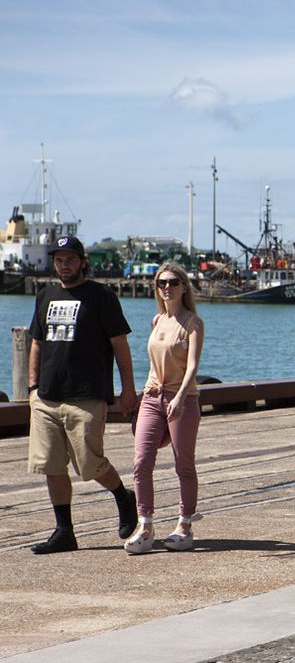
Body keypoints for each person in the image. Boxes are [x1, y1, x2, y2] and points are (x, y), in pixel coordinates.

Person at [26, 235, 137, 554]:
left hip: (87, 394)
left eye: (70, 259)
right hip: (47, 396)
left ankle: (122, 497)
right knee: (51, 464)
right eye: (59, 260)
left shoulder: (101, 295)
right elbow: (37, 342)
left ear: (82, 261)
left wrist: (127, 389)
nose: (64, 265)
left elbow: (120, 344)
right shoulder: (45, 295)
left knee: (90, 463)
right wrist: (32, 388)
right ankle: (64, 531)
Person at [124, 263, 206, 554]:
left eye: (172, 282)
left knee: (183, 464)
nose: (166, 287)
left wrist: (181, 397)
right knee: (141, 462)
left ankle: (184, 525)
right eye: (161, 283)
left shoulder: (192, 322)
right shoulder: (157, 320)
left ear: (184, 286)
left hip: (181, 398)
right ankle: (145, 525)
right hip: (152, 396)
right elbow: (153, 362)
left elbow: (193, 366)